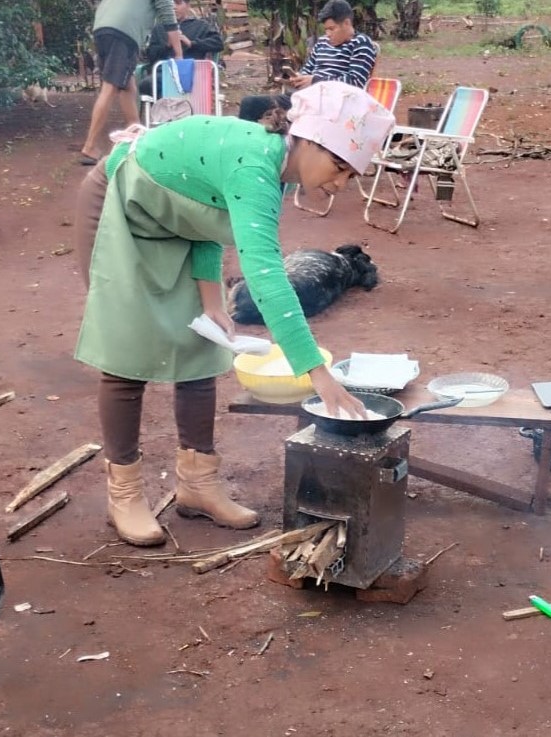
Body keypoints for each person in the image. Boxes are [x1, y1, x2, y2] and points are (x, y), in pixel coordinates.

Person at [73, 81, 394, 549]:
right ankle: (124, 495)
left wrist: (209, 300)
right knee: (127, 355)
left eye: (351, 175)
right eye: (338, 166)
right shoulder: (255, 167)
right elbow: (267, 279)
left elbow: (206, 217)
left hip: (173, 224)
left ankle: (197, 484)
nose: (339, 183)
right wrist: (317, 373)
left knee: (204, 346)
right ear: (305, 138)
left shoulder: (281, 174)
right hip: (119, 206)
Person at [237, 0, 378, 121]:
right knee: (250, 104)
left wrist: (315, 80)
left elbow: (356, 83)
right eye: (326, 29)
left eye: (332, 29)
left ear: (347, 23)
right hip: (306, 99)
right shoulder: (322, 43)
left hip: (331, 104)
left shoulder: (361, 43)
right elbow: (307, 72)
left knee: (257, 107)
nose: (328, 34)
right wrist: (297, 79)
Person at [80, 0, 182, 165]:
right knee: (110, 87)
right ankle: (90, 146)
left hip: (102, 27)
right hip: (124, 31)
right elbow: (168, 17)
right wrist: (179, 54)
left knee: (128, 86)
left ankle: (136, 135)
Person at [140, 0, 224, 97]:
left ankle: (174, 108)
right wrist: (168, 45)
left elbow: (218, 43)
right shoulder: (159, 29)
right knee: (147, 84)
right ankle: (166, 109)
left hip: (192, 73)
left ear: (188, 6)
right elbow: (152, 56)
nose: (174, 8)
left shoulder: (201, 26)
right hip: (165, 74)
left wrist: (192, 43)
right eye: (170, 5)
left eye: (178, 3)